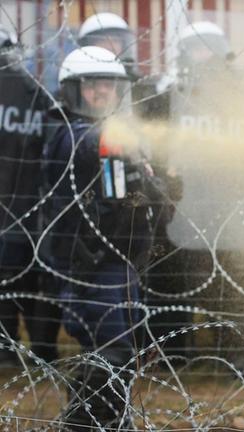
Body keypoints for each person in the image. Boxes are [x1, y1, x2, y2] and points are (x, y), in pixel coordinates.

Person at [42, 46, 166, 430]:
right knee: (114, 351)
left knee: (111, 351)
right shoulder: (72, 133)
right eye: (93, 85)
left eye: (110, 85)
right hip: (92, 262)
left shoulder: (112, 134)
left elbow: (133, 190)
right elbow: (90, 155)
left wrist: (150, 182)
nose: (103, 92)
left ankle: (99, 420)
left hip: (116, 261)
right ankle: (92, 422)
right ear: (73, 90)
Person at [0, 24, 56, 365]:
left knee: (6, 284)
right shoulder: (36, 92)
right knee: (38, 284)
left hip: (12, 207)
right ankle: (43, 352)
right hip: (35, 210)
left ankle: (6, 349)